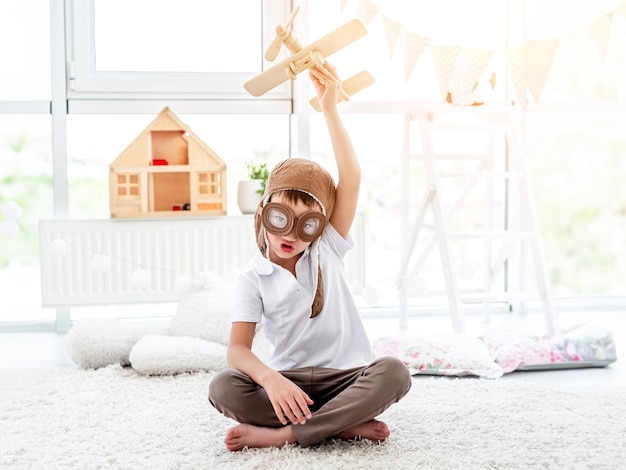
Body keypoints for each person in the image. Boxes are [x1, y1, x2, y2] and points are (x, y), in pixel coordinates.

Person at [208, 62, 411, 451]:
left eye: (306, 225)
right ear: (263, 212)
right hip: (290, 382)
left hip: (347, 377)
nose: (289, 234)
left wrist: (329, 107)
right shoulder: (253, 277)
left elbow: (350, 178)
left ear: (319, 227)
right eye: (280, 219)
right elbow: (237, 349)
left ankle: (288, 434)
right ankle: (341, 424)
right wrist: (271, 379)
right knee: (223, 387)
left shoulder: (327, 247)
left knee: (394, 373)